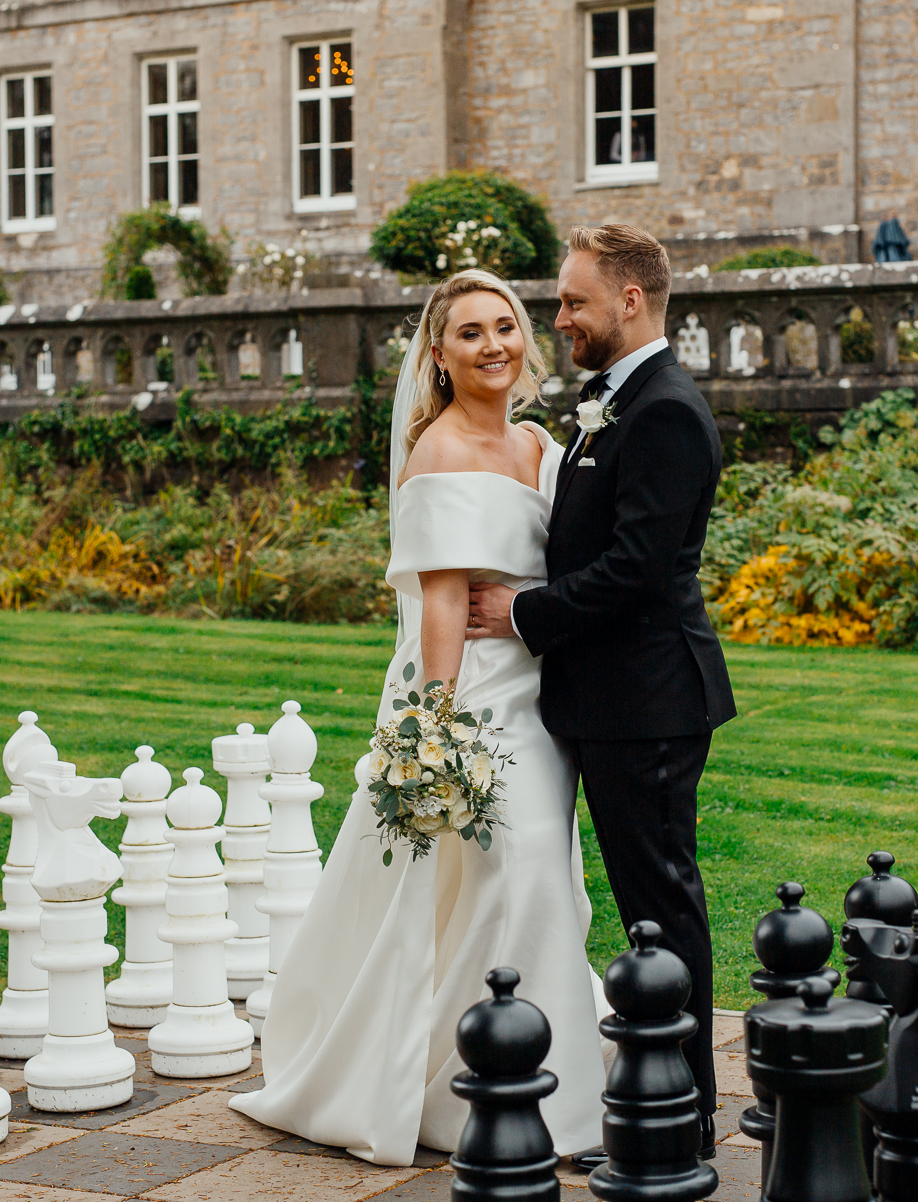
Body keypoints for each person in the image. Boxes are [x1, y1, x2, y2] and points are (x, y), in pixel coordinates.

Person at [229, 268, 608, 1165]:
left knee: (528, 876)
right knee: (513, 876)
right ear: (439, 355)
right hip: (474, 699)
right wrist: (435, 730)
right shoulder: (436, 453)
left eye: (507, 327)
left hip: (541, 694)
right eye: (471, 332)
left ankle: (505, 1071)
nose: (494, 346)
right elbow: (441, 606)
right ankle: (476, 1094)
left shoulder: (541, 446)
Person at [467, 223, 736, 1166]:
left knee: (660, 909)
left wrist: (524, 614)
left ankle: (685, 1112)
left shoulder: (663, 409)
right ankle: (643, 1097)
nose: (560, 317)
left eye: (575, 301)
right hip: (602, 700)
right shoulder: (608, 403)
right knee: (638, 905)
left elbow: (638, 570)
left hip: (648, 704)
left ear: (630, 301)